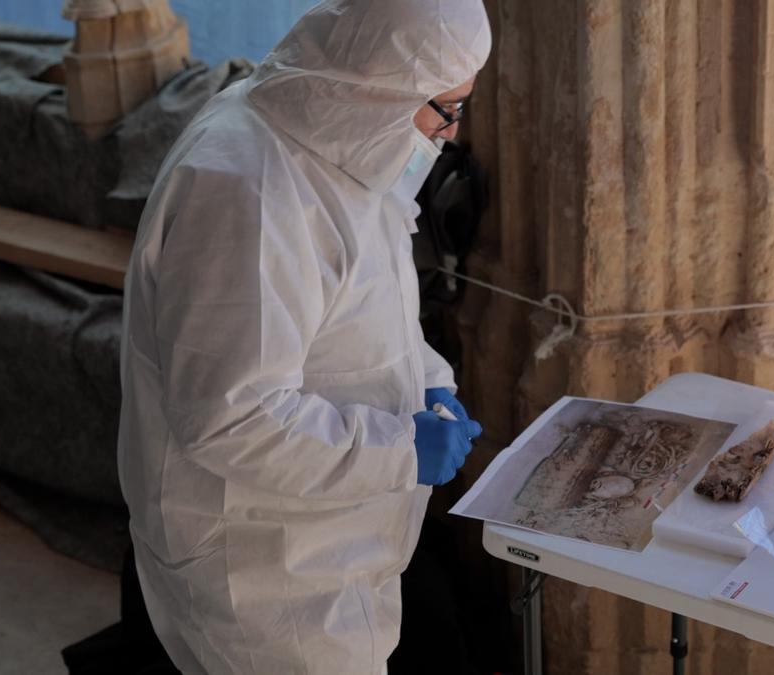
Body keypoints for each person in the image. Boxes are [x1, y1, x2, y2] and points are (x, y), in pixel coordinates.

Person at [116, 1, 491, 673]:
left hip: (328, 539)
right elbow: (231, 418)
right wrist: (401, 450)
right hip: (264, 574)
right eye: (445, 108)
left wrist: (427, 375)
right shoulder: (245, 187)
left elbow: (365, 300)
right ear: (383, 83)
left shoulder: (343, 135)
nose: (448, 132)